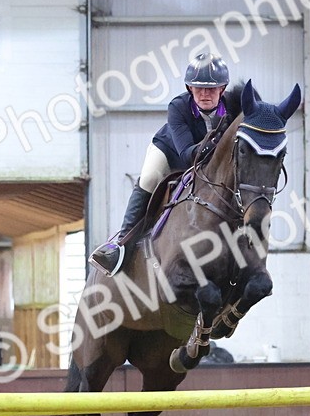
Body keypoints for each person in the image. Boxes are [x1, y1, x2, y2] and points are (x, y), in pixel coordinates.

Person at [89, 53, 231, 275]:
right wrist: (215, 142)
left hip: (207, 162)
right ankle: (121, 245)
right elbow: (186, 155)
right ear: (189, 88)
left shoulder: (233, 109)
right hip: (171, 153)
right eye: (199, 88)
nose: (205, 94)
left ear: (222, 89)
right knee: (148, 179)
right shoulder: (179, 107)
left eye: (212, 88)